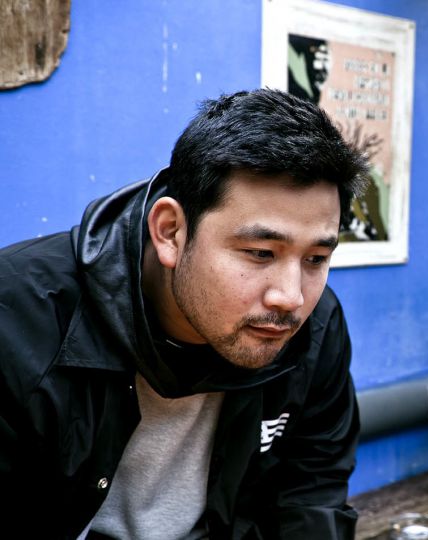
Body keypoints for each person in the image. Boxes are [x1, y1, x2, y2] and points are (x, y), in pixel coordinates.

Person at [0, 88, 370, 539]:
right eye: (260, 252)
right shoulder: (16, 321)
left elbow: (312, 493)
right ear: (170, 232)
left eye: (316, 259)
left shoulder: (317, 324)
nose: (290, 298)